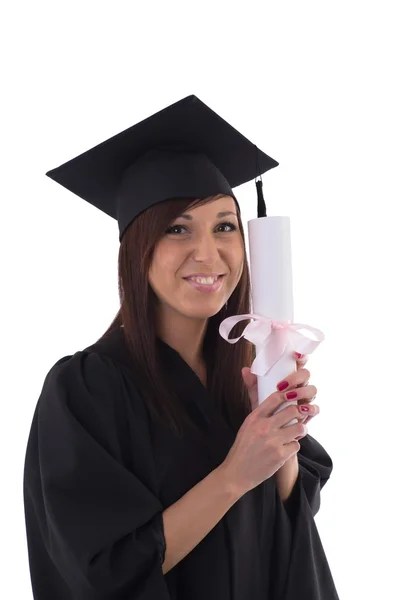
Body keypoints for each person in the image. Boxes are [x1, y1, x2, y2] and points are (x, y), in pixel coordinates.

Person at [23, 95, 340, 599]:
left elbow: (287, 528)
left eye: (224, 227)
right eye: (177, 229)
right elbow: (102, 571)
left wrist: (280, 432)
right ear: (137, 250)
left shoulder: (248, 372)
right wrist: (234, 475)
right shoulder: (86, 389)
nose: (208, 254)